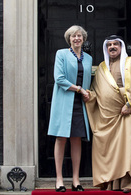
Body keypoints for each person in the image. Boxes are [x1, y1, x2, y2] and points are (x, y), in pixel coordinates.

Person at [85, 35, 131, 193]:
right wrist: (88, 95)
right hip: (107, 118)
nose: (112, 47)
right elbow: (97, 91)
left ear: (121, 47)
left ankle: (128, 184)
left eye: (115, 44)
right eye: (109, 45)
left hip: (126, 113)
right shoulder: (102, 68)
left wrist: (129, 104)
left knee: (128, 149)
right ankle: (113, 183)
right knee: (111, 151)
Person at [47, 25, 92, 192]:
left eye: (79, 36)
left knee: (76, 139)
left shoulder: (88, 58)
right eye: (73, 36)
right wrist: (79, 89)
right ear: (69, 39)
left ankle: (75, 179)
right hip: (64, 101)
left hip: (79, 104)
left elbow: (88, 80)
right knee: (61, 138)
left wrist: (86, 93)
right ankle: (59, 179)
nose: (77, 38)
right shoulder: (62, 54)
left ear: (83, 39)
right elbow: (59, 78)